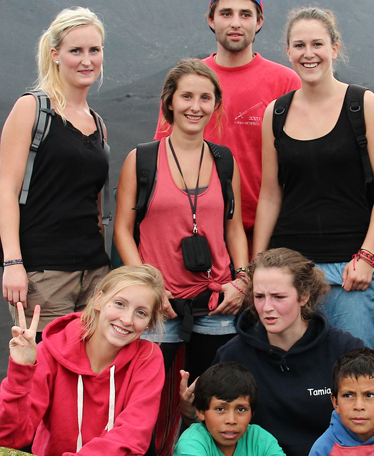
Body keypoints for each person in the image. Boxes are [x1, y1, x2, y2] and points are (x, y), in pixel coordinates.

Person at [181, 248, 374, 456]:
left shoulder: (339, 347)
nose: (267, 308)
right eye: (259, 296)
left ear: (303, 297)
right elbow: (208, 420)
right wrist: (189, 408)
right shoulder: (234, 354)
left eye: (278, 297)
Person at [115, 59, 249, 455]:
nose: (196, 106)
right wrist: (148, 288)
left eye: (205, 98)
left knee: (215, 407)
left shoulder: (224, 161)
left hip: (217, 304)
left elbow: (234, 227)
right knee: (145, 405)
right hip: (160, 308)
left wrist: (242, 279)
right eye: (186, 96)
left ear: (216, 105)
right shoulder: (141, 160)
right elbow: (124, 228)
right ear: (168, 103)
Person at [252, 7, 374, 350]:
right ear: (288, 51)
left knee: (356, 376)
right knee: (291, 374)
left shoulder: (362, 104)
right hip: (290, 272)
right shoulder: (276, 113)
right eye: (299, 45)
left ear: (334, 48)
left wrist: (367, 257)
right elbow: (271, 194)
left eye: (317, 44)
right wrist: (256, 267)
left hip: (352, 271)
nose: (308, 54)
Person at [154, 0, 300, 244]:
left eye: (245, 14)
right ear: (211, 19)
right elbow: (162, 158)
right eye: (226, 13)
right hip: (195, 234)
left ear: (259, 22)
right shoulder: (188, 81)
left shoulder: (286, 82)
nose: (235, 23)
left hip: (268, 234)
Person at [0, 7, 111, 334]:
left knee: (91, 373)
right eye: (76, 51)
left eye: (94, 50)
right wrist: (13, 263)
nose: (86, 60)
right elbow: (7, 191)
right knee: (46, 370)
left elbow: (95, 202)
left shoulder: (98, 124)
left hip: (94, 272)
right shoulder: (32, 109)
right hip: (44, 275)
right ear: (55, 55)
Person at [0, 265, 168, 456]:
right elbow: (6, 437)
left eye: (141, 313)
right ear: (99, 301)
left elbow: (132, 435)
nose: (127, 319)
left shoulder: (148, 358)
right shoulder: (50, 351)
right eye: (120, 304)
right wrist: (20, 373)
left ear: (148, 324)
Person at [173, 362, 285, 456]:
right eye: (220, 409)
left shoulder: (259, 439)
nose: (231, 420)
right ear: (200, 411)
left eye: (241, 409)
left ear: (252, 412)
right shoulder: (192, 442)